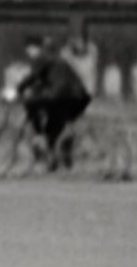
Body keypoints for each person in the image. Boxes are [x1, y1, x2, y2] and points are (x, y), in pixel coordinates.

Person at [18, 41, 92, 172]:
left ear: (36, 48)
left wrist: (19, 87)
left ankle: (39, 134)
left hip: (61, 95)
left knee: (30, 103)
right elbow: (47, 81)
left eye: (29, 50)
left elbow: (33, 77)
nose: (28, 54)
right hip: (80, 97)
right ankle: (56, 157)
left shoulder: (42, 57)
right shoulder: (59, 60)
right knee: (54, 125)